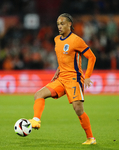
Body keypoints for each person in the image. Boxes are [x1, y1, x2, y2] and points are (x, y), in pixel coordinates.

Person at [29, 13, 96, 145]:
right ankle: (36, 120)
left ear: (70, 24)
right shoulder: (56, 40)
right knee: (39, 94)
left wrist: (87, 76)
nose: (59, 26)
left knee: (78, 109)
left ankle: (90, 138)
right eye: (58, 24)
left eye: (62, 23)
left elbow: (92, 57)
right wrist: (57, 71)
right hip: (61, 78)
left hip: (74, 79)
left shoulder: (77, 40)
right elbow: (63, 59)